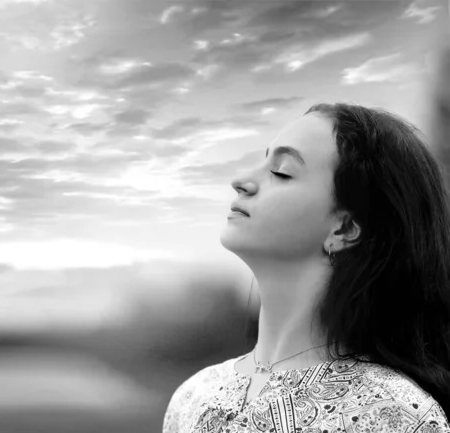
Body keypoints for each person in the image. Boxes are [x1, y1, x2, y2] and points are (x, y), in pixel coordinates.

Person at [162, 44, 450, 433]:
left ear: (345, 229)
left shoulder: (396, 415)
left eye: (281, 171)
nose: (242, 181)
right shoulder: (192, 398)